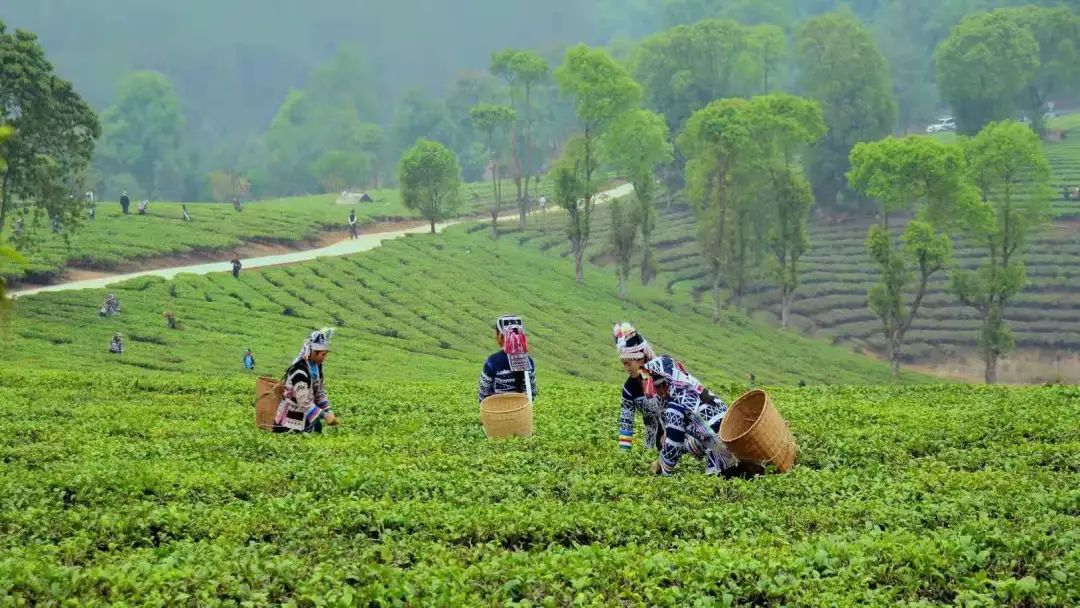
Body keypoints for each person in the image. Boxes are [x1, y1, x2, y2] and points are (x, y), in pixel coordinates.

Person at [642, 352, 744, 478]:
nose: (657, 394)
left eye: (656, 389)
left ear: (662, 387)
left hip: (726, 456)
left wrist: (660, 466)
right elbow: (702, 433)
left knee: (720, 486)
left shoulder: (675, 405)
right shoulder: (697, 392)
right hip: (742, 443)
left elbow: (673, 447)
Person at [274, 328, 339, 433]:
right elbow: (303, 402)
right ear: (313, 352)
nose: (324, 358)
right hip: (290, 419)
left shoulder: (318, 368)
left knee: (317, 428)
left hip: (305, 415)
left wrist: (329, 411)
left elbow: (320, 391)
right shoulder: (299, 370)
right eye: (323, 354)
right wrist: (325, 415)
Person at [614, 322, 663, 453]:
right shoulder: (629, 388)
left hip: (678, 443)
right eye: (624, 364)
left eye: (628, 364)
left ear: (641, 360)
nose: (626, 369)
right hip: (651, 448)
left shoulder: (662, 377)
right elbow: (626, 422)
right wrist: (624, 454)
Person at [478, 315, 538, 404]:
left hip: (498, 414)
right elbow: (532, 393)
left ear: (501, 336)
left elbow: (483, 396)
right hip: (523, 415)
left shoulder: (492, 361)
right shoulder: (528, 361)